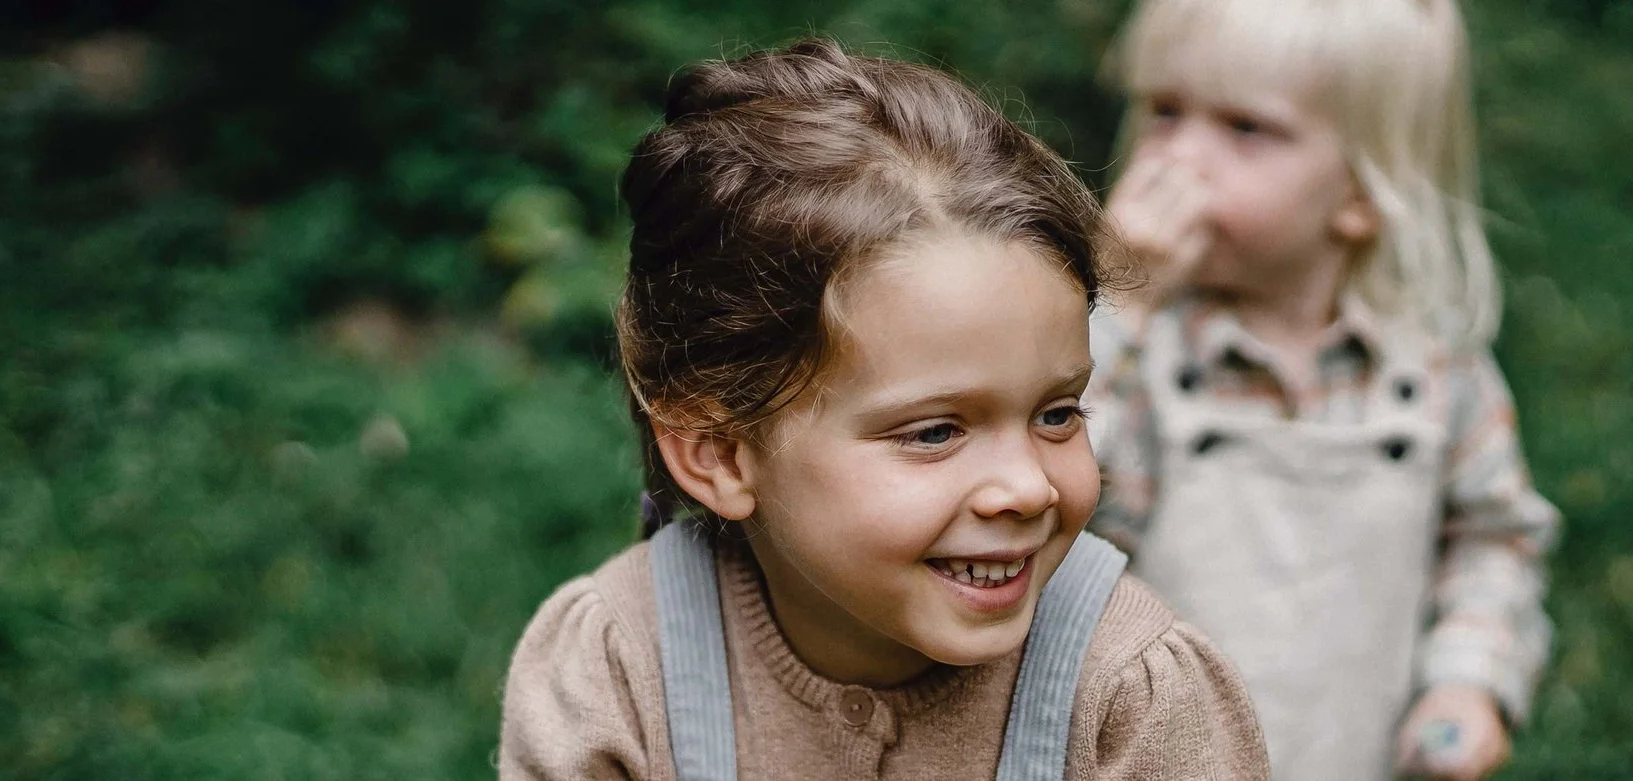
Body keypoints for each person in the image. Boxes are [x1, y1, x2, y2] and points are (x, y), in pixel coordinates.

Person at [497, 39, 1270, 780]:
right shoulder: (616, 672)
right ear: (720, 452)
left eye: (1057, 414)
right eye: (935, 431)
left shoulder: (1133, 697)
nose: (1028, 486)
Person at [1087, 0, 1562, 777]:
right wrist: (1119, 299)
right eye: (1165, 111)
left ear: (1360, 196)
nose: (1178, 158)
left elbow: (1493, 539)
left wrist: (1467, 682)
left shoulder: (1435, 375)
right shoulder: (1134, 352)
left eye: (1245, 127)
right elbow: (1047, 506)